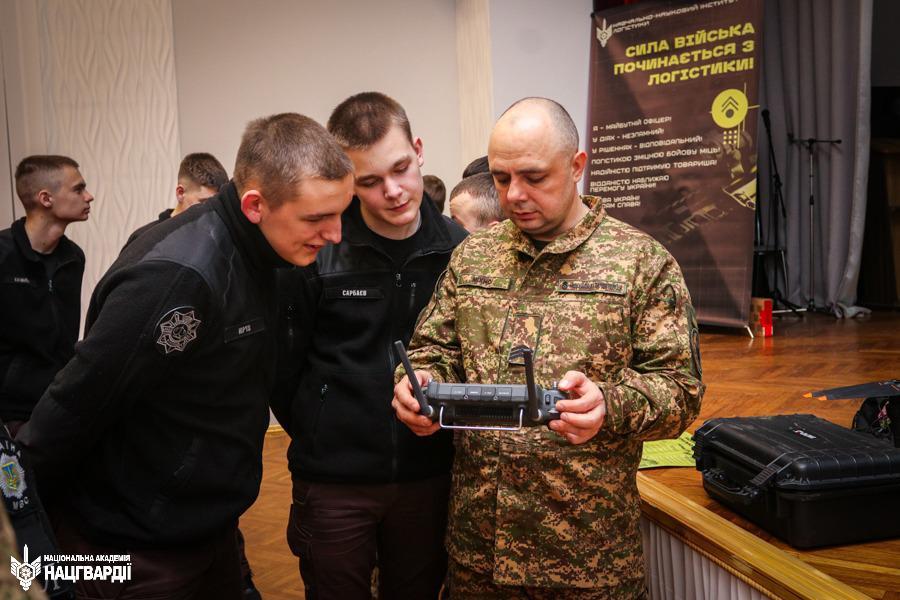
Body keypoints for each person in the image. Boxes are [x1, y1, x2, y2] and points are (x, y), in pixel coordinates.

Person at [18, 113, 354, 600]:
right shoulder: (178, 277)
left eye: (340, 214)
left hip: (205, 528)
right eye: (317, 219)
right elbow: (75, 404)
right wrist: (21, 525)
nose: (335, 234)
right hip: (135, 548)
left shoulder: (271, 252)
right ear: (255, 205)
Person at [393, 97, 704, 598]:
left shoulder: (641, 263)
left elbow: (680, 390)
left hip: (587, 560)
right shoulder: (473, 257)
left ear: (577, 166)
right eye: (501, 178)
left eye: (534, 177)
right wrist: (419, 384)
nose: (514, 195)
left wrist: (609, 405)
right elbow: (433, 349)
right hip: (480, 555)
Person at [272, 92, 467, 600]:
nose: (394, 192)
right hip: (334, 481)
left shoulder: (460, 251)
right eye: (370, 181)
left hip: (429, 474)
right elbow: (282, 366)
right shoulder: (318, 251)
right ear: (347, 180)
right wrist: (321, 426)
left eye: (401, 169)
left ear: (418, 150)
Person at [1, 155, 93, 437]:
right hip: (10, 413)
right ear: (45, 198)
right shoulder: (3, 254)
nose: (89, 196)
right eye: (78, 189)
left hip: (57, 405)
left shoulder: (73, 257)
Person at [125, 152, 228, 246]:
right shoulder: (143, 239)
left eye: (216, 205)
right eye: (204, 203)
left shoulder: (219, 240)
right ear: (180, 193)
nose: (211, 212)